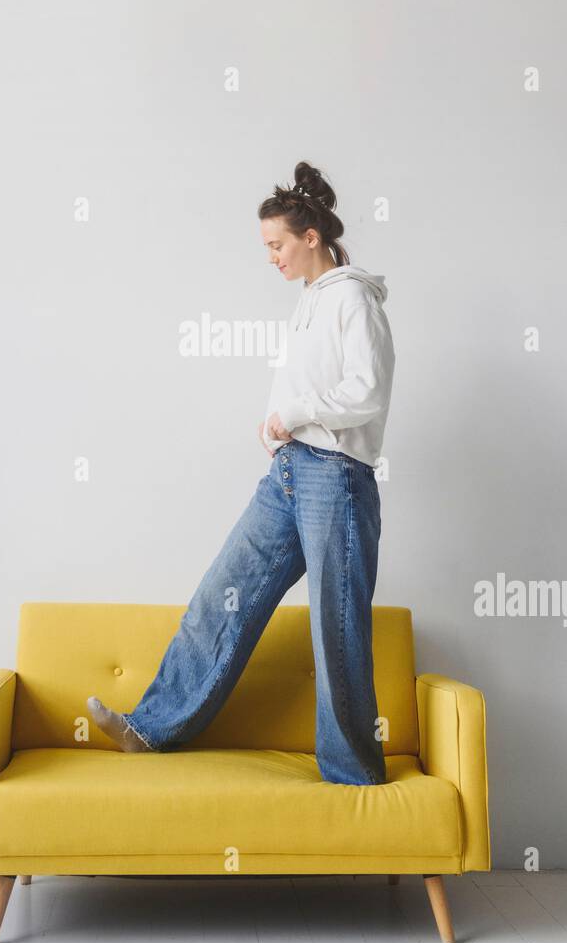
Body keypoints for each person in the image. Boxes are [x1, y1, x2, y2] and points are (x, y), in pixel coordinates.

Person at [87, 160, 396, 784]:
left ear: (312, 238)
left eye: (277, 244)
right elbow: (305, 388)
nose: (271, 257)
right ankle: (150, 728)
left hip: (335, 477)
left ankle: (354, 777)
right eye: (266, 247)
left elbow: (368, 391)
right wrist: (273, 425)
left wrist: (298, 413)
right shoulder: (309, 302)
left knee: (336, 625)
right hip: (289, 473)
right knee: (221, 596)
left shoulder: (354, 298)